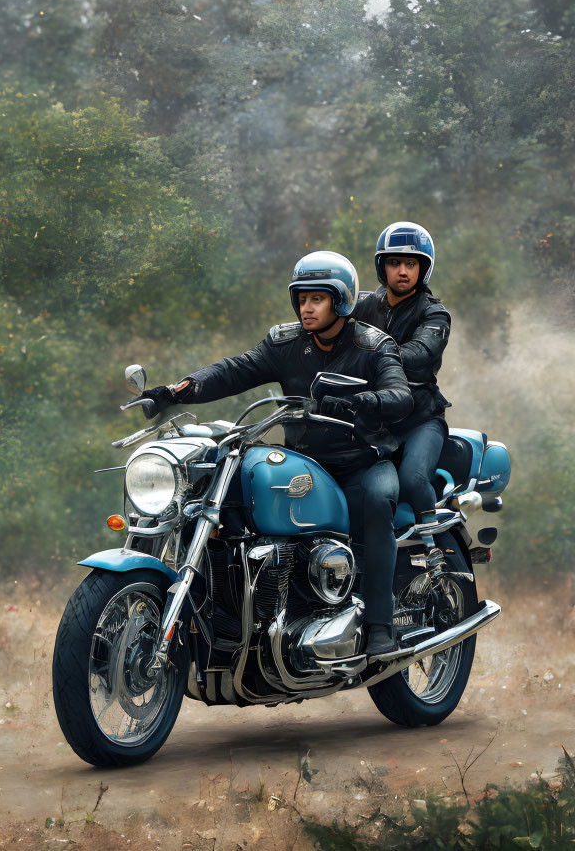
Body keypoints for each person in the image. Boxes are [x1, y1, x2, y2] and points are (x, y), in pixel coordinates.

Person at [139, 251, 414, 656]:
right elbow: (236, 369)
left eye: (317, 299)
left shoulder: (372, 346)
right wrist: (177, 391)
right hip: (308, 464)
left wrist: (361, 401)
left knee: (376, 502)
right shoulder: (286, 344)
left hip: (363, 463)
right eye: (301, 299)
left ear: (341, 301)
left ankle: (380, 626)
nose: (306, 308)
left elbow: (400, 395)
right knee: (235, 496)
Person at [352, 222, 452, 545]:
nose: (403, 271)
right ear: (384, 267)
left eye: (411, 263)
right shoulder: (365, 306)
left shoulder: (434, 314)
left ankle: (431, 546)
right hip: (378, 420)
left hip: (421, 420)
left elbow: (422, 351)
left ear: (423, 268)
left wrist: (378, 356)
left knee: (412, 478)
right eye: (395, 263)